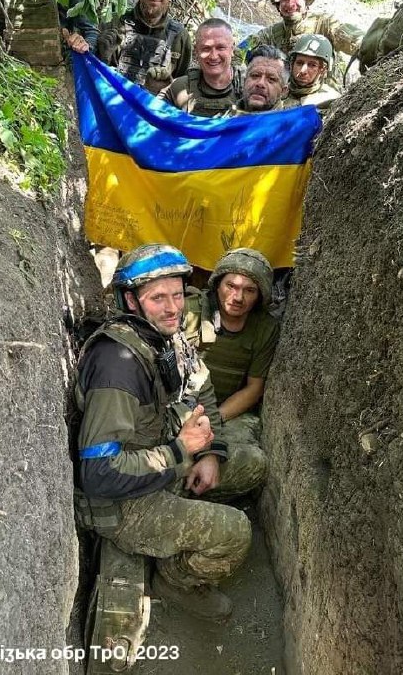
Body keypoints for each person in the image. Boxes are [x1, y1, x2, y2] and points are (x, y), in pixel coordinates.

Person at [75, 244, 252, 620]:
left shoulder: (164, 336)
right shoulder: (117, 366)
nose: (173, 307)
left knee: (254, 464)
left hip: (166, 460)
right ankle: (174, 581)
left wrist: (210, 453)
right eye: (158, 298)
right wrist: (179, 451)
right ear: (132, 302)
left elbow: (201, 388)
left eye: (177, 295)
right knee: (236, 532)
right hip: (124, 502)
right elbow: (98, 474)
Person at [184, 249, 279, 502]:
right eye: (231, 286)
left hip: (227, 412)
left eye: (249, 290)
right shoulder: (192, 311)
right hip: (182, 409)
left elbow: (254, 388)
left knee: (254, 462)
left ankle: (201, 493)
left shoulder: (264, 328)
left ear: (260, 296)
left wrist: (214, 420)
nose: (238, 297)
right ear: (217, 285)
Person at [96, 0, 192, 95]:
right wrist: (102, 58)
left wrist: (166, 88)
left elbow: (182, 96)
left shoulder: (180, 38)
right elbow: (95, 82)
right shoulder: (113, 24)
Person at [244, 0, 363, 90]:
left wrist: (371, 44)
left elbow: (355, 39)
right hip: (285, 96)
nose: (290, 3)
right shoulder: (270, 34)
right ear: (278, 5)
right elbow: (241, 50)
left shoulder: (324, 24)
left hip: (322, 96)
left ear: (306, 1)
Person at [158, 18, 244, 116]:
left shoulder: (249, 88)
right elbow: (150, 119)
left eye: (220, 48)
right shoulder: (180, 88)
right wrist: (152, 90)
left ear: (232, 48)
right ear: (196, 51)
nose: (213, 56)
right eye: (206, 48)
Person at [284, 34, 342, 110]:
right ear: (292, 64)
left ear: (322, 70)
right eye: (299, 63)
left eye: (312, 65)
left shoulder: (331, 99)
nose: (303, 71)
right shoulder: (278, 92)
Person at [234, 45, 289, 113]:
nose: (260, 83)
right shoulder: (225, 120)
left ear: (283, 91)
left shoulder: (294, 122)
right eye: (255, 75)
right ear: (244, 81)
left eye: (271, 79)